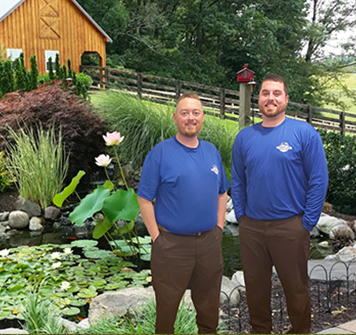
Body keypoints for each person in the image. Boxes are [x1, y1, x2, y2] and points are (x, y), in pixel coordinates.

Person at [231, 74, 328, 334]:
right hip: (252, 228)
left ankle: (300, 331)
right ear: (258, 98)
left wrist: (306, 223)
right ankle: (260, 331)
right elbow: (238, 181)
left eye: (276, 93)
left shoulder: (304, 133)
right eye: (265, 93)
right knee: (255, 288)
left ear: (286, 99)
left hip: (290, 226)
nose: (270, 98)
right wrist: (241, 216)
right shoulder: (244, 138)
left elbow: (318, 180)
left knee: (296, 289)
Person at [137, 93, 229, 334]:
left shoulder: (211, 152)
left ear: (203, 118)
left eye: (196, 113)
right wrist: (157, 236)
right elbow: (144, 198)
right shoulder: (160, 153)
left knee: (209, 310)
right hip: (171, 246)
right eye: (185, 113)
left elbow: (222, 193)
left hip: (209, 242)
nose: (191, 118)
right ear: (175, 118)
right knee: (166, 313)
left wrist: (219, 229)